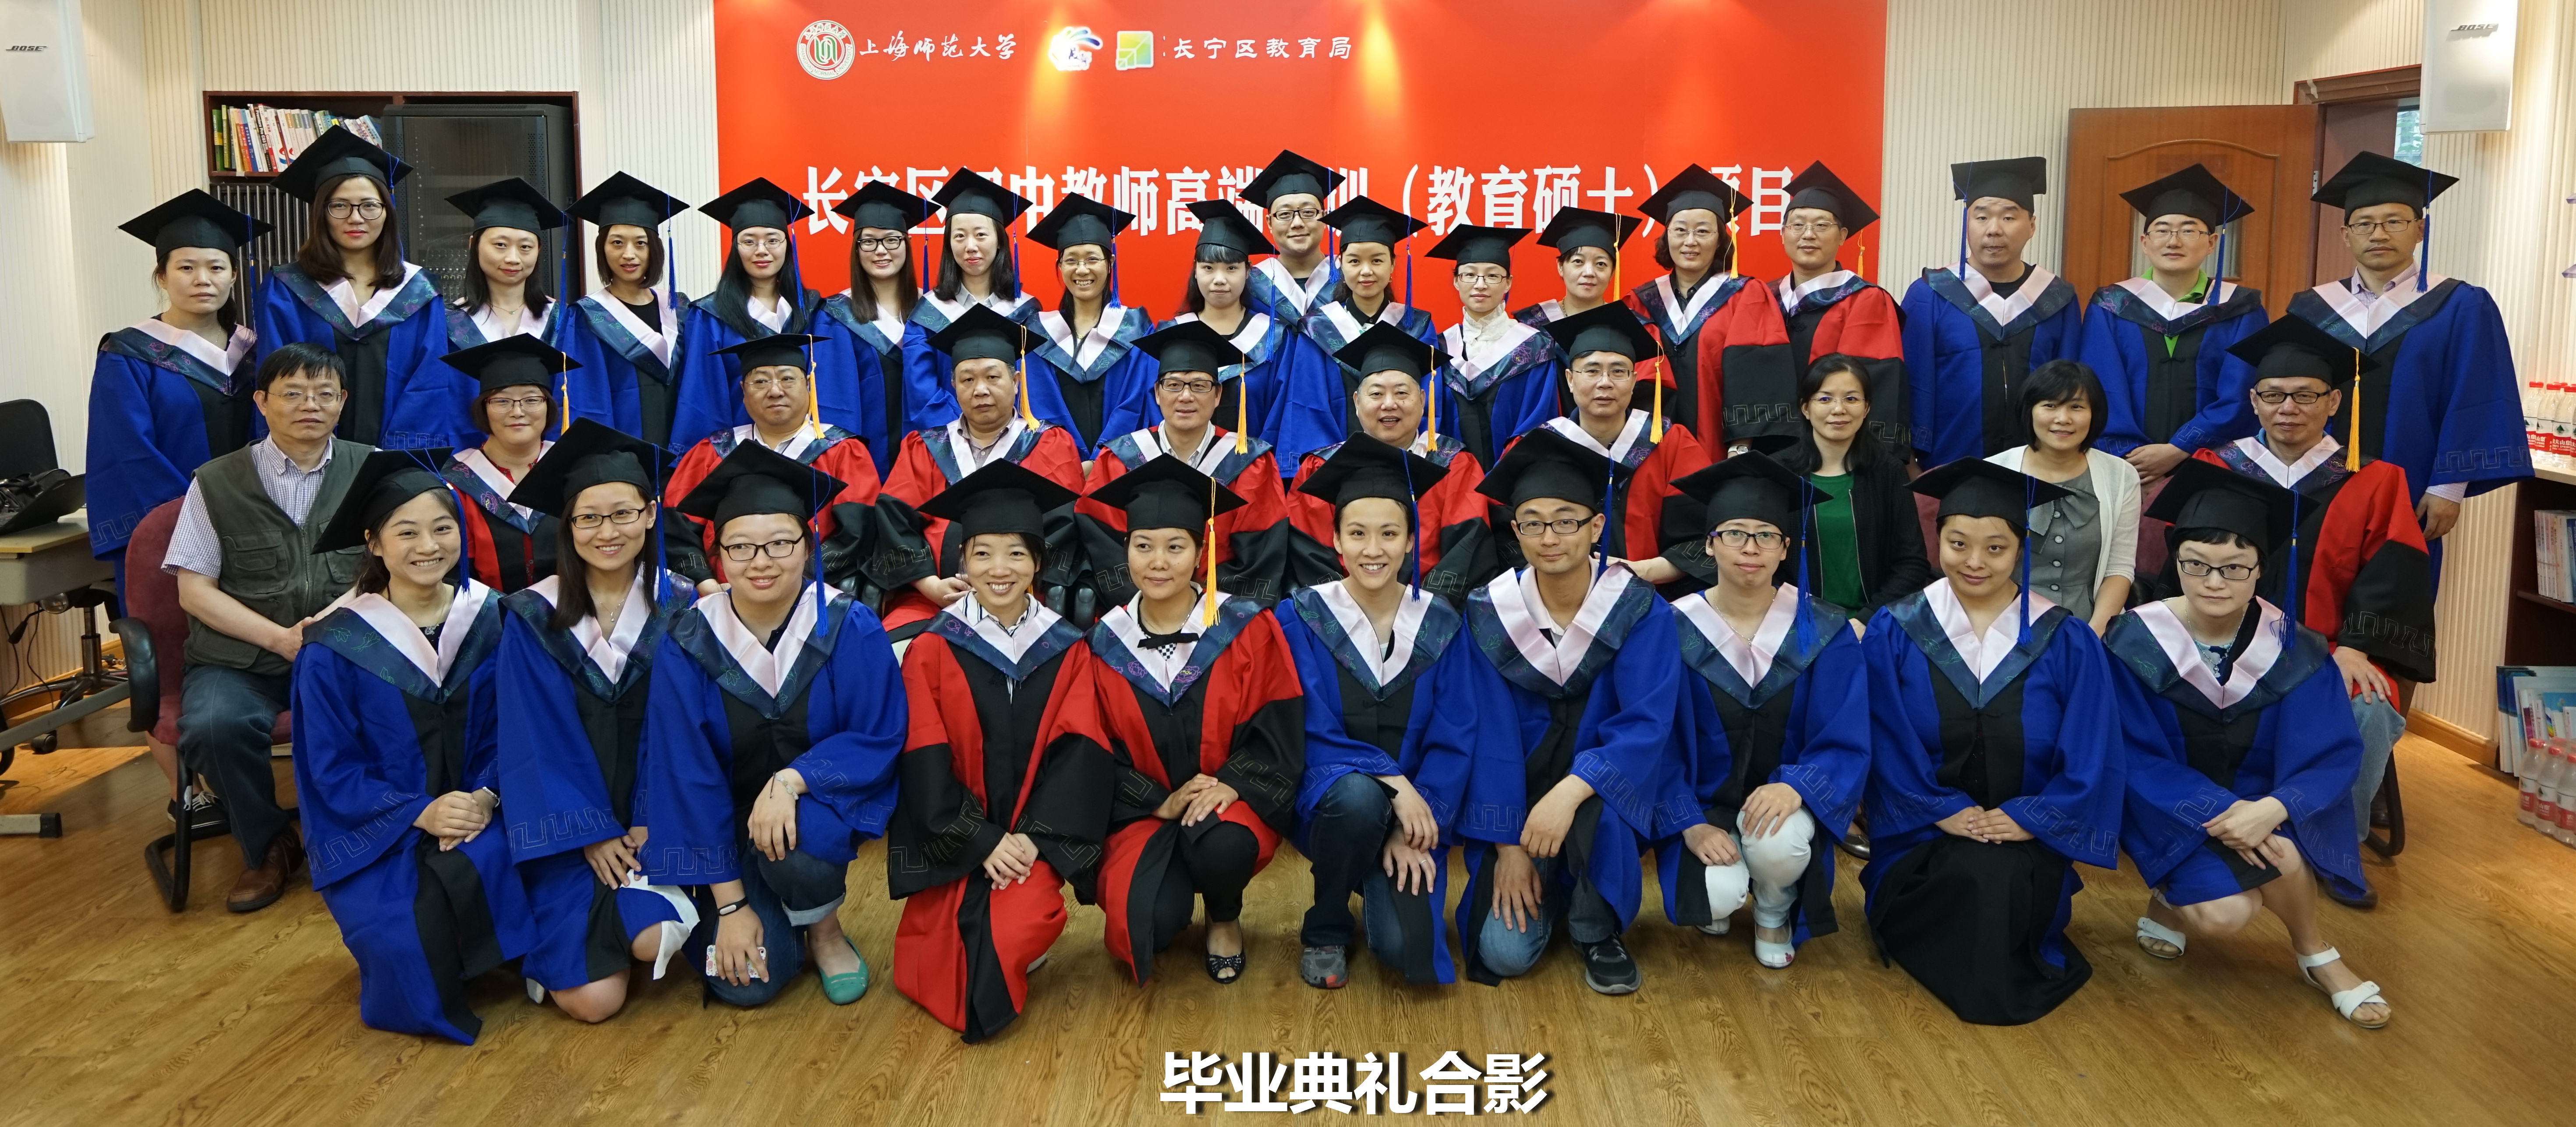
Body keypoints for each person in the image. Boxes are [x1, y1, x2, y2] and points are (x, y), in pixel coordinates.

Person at [2108, 459, 2390, 1029]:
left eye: (2234, 568)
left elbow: (2331, 750)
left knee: (2280, 850)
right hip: (2172, 811)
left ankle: (2314, 953)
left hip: (2265, 809)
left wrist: (2272, 808)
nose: (2214, 582)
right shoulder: (2132, 641)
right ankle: (2172, 897)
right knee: (2226, 915)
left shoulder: (2293, 649)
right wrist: (2222, 811)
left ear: (2260, 568)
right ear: (2175, 562)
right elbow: (2127, 752)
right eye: (2196, 565)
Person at [2178, 315, 2434, 910]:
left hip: (2332, 649)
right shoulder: (2220, 468)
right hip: (2231, 643)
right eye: (2272, 395)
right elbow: (2190, 566)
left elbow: (2392, 576)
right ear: (2253, 401)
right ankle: (2215, 831)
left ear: (2333, 402)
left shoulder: (2374, 481)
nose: (2287, 409)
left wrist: (2353, 647)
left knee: (2367, 705)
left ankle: (2332, 845)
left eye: (2304, 395)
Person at [637, 442, 907, 1007]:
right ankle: (760, 905)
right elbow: (684, 773)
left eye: (780, 543)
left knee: (800, 840)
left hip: (811, 813)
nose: (761, 561)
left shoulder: (847, 624)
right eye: (740, 546)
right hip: (724, 831)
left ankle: (825, 931)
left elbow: (877, 733)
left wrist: (792, 781)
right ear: (718, 554)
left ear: (808, 545)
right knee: (750, 986)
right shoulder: (689, 640)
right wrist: (732, 907)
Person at [1859, 458, 2123, 1025]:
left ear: (2021, 549)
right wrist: (1941, 811)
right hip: (1921, 833)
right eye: (1957, 544)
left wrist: (2030, 818)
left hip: (2028, 832)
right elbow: (1882, 736)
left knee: (2001, 876)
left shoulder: (2065, 638)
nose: (1973, 562)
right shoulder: (1896, 628)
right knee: (1978, 878)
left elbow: (2091, 746)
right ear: (1937, 542)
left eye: (1995, 548)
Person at [291, 448, 531, 1043]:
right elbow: (329, 769)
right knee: (405, 941)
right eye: (407, 532)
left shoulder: (496, 620)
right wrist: (421, 812)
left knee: (526, 876)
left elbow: (525, 731)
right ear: (374, 543)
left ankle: (506, 955)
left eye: (443, 528)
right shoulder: (334, 648)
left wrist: (484, 797)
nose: (429, 545)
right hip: (382, 827)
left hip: (488, 810)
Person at [1449, 429, 1693, 994]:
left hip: (1598, 798)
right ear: (1515, 532)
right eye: (1532, 523)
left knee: (1601, 803)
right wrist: (1507, 845)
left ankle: (1596, 925)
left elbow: (1645, 724)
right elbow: (1483, 733)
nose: (1549, 537)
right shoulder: (1489, 613)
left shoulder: (1637, 610)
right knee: (1502, 955)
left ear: (1595, 526)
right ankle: (1548, 879)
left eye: (1565, 521)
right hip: (1517, 807)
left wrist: (1569, 792)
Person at [889, 462, 1113, 1042]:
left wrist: (1033, 839)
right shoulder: (932, 648)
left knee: (1021, 924)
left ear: (1038, 563)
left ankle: (1021, 922)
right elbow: (924, 756)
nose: (998, 569)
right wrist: (982, 840)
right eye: (982, 554)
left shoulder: (1065, 647)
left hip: (1031, 840)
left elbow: (1081, 750)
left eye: (1016, 554)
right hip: (960, 840)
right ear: (962, 563)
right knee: (938, 956)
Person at [494, 422, 699, 1024]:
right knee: (594, 1005)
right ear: (567, 527)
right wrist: (589, 832)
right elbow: (533, 739)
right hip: (564, 830)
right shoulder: (532, 617)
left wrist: (648, 818)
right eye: (588, 518)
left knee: (654, 940)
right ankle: (554, 948)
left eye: (622, 514)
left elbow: (684, 730)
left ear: (650, 514)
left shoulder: (682, 606)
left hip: (653, 824)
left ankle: (620, 928)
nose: (607, 532)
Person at [1086, 457, 1306, 985]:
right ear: (1125, 550)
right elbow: (1088, 749)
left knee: (1223, 847)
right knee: (1146, 930)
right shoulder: (1102, 642)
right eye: (1143, 546)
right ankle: (1173, 882)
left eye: (1175, 547)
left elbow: (1277, 726)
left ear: (1201, 552)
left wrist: (1231, 783)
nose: (1158, 562)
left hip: (1224, 805)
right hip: (1144, 812)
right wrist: (1156, 801)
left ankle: (1223, 915)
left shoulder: (1245, 627)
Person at [166, 343, 371, 912]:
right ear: (261, 402)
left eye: (325, 393)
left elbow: (393, 569)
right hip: (240, 659)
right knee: (213, 725)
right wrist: (279, 640)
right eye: (293, 393)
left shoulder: (372, 470)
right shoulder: (215, 482)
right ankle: (267, 845)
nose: (311, 405)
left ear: (343, 401)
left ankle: (376, 837)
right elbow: (194, 591)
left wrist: (324, 629)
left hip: (346, 650)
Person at [1657, 452, 1871, 968]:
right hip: (1702, 805)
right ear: (1709, 544)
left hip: (1782, 802)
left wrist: (1797, 786)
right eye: (1734, 533)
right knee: (1714, 895)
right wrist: (1688, 822)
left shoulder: (1822, 630)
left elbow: (1844, 733)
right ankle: (1727, 886)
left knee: (1779, 848)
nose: (1750, 548)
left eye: (1766, 535)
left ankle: (1774, 907)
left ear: (1785, 549)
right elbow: (1654, 738)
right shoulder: (1668, 628)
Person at [1283, 437, 1479, 989]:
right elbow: (1307, 726)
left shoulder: (1440, 623)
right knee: (1357, 798)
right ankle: (1326, 925)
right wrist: (1392, 784)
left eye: (1390, 534)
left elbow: (1456, 734)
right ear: (1335, 540)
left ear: (1412, 540)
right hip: (1333, 802)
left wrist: (1414, 823)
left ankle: (1374, 870)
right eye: (1357, 533)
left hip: (1419, 807)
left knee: (1404, 950)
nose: (1374, 549)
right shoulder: (1300, 618)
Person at [2285, 151, 2530, 545]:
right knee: (2311, 574)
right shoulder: (2312, 308)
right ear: (2346, 235)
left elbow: (2476, 397)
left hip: (2412, 485)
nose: (2378, 234)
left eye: (2394, 221)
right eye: (2364, 223)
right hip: (2314, 479)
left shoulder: (2460, 305)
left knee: (2397, 579)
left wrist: (2448, 487)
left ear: (2419, 230)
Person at [854, 305, 1087, 639]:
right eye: (967, 379)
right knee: (897, 651)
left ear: (1016, 382)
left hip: (1025, 596)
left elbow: (1063, 527)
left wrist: (1012, 583)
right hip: (934, 600)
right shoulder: (925, 447)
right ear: (953, 385)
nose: (980, 390)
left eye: (992, 377)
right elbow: (895, 521)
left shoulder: (1049, 444)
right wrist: (929, 585)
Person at [92, 191, 269, 592]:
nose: (202, 279)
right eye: (186, 267)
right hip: (170, 529)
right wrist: (194, 516)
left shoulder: (255, 353)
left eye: (216, 267)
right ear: (162, 277)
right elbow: (127, 450)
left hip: (258, 526)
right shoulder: (129, 354)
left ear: (234, 275)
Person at [1081, 321, 1311, 606]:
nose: (1186, 396)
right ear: (1157, 393)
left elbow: (1259, 557)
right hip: (1137, 609)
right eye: (1173, 385)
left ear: (1218, 395)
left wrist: (1199, 607)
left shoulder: (1251, 464)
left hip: (1217, 613)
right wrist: (1151, 605)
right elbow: (1104, 545)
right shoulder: (1118, 460)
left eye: (1200, 386)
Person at [254, 126, 455, 449]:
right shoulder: (287, 288)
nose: (356, 218)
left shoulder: (420, 290)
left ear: (387, 212)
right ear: (321, 213)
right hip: (310, 451)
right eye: (340, 206)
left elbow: (430, 380)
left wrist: (395, 460)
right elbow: (276, 377)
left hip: (394, 454)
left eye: (369, 205)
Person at [1699, 162, 1908, 454]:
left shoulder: (1866, 300)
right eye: (1797, 225)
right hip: (1765, 450)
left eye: (1822, 225)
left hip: (1834, 454)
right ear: (1783, 233)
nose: (1808, 234)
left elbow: (1874, 383)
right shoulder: (1760, 297)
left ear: (1842, 235)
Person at [2080, 164, 2268, 480]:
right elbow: (2101, 387)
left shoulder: (2241, 309)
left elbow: (2241, 393)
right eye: (2162, 230)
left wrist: (2181, 448)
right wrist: (2131, 459)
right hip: (2128, 468)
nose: (2174, 241)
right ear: (2145, 242)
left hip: (2213, 465)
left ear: (2211, 243)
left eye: (2189, 231)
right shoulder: (2111, 306)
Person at [1287, 324, 1497, 602]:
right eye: (1376, 394)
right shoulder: (1320, 468)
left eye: (1402, 394)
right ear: (1357, 403)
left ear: (1422, 401)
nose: (1389, 404)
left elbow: (1467, 549)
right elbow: (1308, 553)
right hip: (1343, 615)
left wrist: (1422, 612)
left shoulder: (1454, 465)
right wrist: (1348, 610)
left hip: (1430, 613)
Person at [662, 333, 883, 593]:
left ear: (808, 385)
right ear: (743, 391)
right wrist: (706, 584)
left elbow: (858, 533)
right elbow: (677, 531)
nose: (775, 391)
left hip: (816, 592)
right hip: (722, 594)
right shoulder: (712, 452)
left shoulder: (842, 451)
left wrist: (794, 579)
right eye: (760, 381)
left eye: (787, 379)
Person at [1903, 157, 2084, 468]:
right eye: (1982, 217)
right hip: (1948, 464)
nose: (1994, 230)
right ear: (1966, 225)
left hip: (2039, 467)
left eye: (2009, 218)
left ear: (2032, 226)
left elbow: (2070, 388)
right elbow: (1912, 383)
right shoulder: (1930, 293)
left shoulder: (2057, 299)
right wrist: (1911, 461)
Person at [1524, 304, 1715, 592]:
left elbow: (1704, 539)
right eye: (1592, 371)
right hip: (1558, 599)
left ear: (1634, 381)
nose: (1605, 383)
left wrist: (1639, 571)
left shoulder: (1672, 444)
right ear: (1570, 380)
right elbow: (1512, 537)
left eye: (1618, 372)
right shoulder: (1539, 446)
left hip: (1654, 599)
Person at [1160, 199, 1335, 462]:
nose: (1220, 279)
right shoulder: (1171, 335)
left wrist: (1259, 467)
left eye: (1232, 268)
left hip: (1254, 471)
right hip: (1179, 469)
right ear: (1195, 271)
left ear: (1248, 272)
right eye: (1208, 268)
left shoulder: (1275, 339)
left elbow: (1286, 415)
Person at [670, 177, 832, 451]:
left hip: (807, 452)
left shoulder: (814, 310)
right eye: (749, 241)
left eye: (772, 240)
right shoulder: (710, 316)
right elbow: (703, 397)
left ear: (787, 245)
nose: (762, 251)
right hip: (740, 455)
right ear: (736, 248)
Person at [1983, 359, 2140, 634]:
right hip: (2004, 624)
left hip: (2091, 624)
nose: (2063, 418)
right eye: (2050, 406)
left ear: (2094, 414)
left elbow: (2119, 567)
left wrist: (2093, 636)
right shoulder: (1993, 472)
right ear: (2030, 410)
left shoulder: (2121, 476)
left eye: (2076, 407)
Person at [1285, 196, 1438, 471]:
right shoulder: (1317, 329)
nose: (1366, 271)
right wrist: (1336, 467)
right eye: (1355, 261)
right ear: (1340, 264)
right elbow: (1309, 406)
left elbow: (1428, 401)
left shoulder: (1418, 326)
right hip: (1338, 469)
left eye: (1377, 260)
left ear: (1392, 265)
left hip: (1407, 464)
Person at [1779, 355, 1932, 619]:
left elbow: (1912, 563)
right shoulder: (1779, 473)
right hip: (1796, 621)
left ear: (1867, 407)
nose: (1839, 409)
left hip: (1874, 623)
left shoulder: (1888, 471)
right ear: (1805, 408)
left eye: (1851, 399)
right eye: (1825, 399)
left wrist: (1867, 619)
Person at [557, 173, 691, 448]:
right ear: (603, 249)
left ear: (654, 249)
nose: (629, 254)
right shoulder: (586, 317)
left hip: (683, 453)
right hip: (621, 456)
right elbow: (587, 400)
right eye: (617, 242)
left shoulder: (680, 310)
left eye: (641, 243)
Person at [1629, 165, 1762, 442]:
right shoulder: (1641, 301)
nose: (1690, 241)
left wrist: (1741, 444)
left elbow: (1754, 373)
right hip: (1651, 440)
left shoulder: (1745, 296)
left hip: (1720, 442)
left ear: (1721, 240)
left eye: (1703, 232)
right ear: (1667, 236)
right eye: (1680, 230)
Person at [1023, 193, 1158, 456]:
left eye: (1093, 259)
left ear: (1110, 263)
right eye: (1071, 260)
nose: (1082, 270)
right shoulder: (1039, 334)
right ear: (1060, 266)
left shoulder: (1135, 329)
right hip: (1057, 466)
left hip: (1120, 466)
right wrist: (1072, 461)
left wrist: (1103, 461)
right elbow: (1039, 405)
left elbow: (1138, 402)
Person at [438, 336, 575, 592]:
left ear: (548, 406)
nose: (517, 412)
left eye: (532, 400)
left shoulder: (574, 469)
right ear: (484, 409)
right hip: (484, 613)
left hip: (574, 610)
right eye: (502, 401)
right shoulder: (455, 482)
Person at [819, 182, 939, 474]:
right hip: (866, 464)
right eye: (869, 241)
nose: (881, 251)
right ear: (856, 249)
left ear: (907, 243)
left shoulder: (935, 312)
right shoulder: (835, 316)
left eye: (892, 240)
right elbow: (834, 403)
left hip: (931, 462)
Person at [904, 169, 1039, 425]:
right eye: (959, 236)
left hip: (1015, 438)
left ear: (999, 241)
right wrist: (968, 433)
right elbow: (921, 392)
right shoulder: (926, 315)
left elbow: (1035, 388)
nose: (970, 246)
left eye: (981, 235)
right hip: (947, 437)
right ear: (949, 244)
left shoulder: (1026, 312)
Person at [1425, 223, 1559, 468]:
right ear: (1456, 281)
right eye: (1469, 275)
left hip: (1514, 477)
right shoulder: (1440, 348)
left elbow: (1538, 423)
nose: (1480, 285)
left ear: (1508, 283)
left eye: (1492, 276)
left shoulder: (1535, 348)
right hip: (1452, 480)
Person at [442, 177, 562, 351]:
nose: (513, 258)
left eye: (525, 247)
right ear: (473, 245)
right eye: (501, 245)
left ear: (538, 250)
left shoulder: (562, 319)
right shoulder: (447, 323)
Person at [1240, 149, 1345, 325]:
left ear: (1325, 217)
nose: (1297, 223)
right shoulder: (1249, 285)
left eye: (1308, 212)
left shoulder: (1349, 276)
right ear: (1270, 223)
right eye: (1285, 214)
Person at [1513, 206, 1638, 328]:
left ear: (1612, 272)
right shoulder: (1533, 326)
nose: (1589, 273)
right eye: (1578, 261)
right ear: (1561, 267)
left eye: (1600, 264)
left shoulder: (1630, 325)